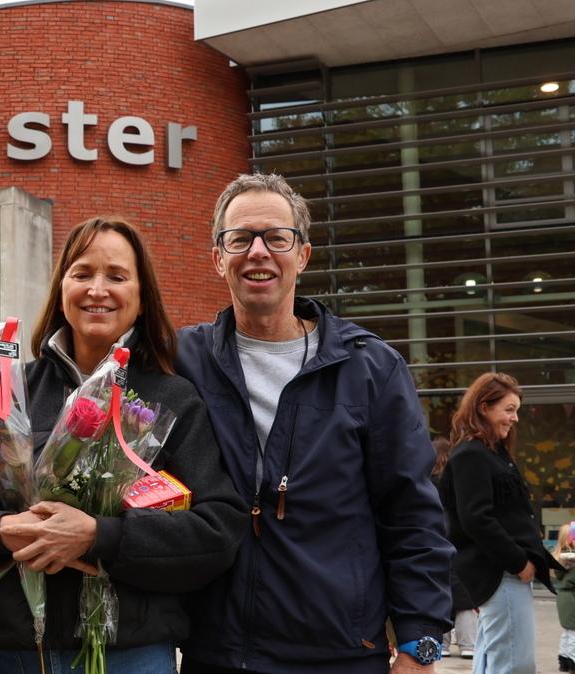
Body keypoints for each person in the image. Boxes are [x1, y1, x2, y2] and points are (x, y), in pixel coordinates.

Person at [0, 216, 248, 672]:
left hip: (132, 656)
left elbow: (218, 532)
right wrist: (0, 529)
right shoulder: (10, 392)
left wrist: (99, 536)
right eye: (82, 273)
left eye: (116, 276)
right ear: (61, 291)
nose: (97, 289)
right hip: (19, 653)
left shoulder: (173, 400)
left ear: (142, 299)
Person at [175, 172, 453, 674]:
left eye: (277, 237)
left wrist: (421, 645)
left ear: (302, 254)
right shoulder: (181, 358)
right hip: (216, 654)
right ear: (219, 258)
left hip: (341, 654)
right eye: (240, 238)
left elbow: (411, 512)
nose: (258, 251)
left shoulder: (370, 368)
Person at [439, 371, 562, 674]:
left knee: (496, 657)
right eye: (509, 409)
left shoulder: (490, 453)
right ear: (484, 407)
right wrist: (519, 562)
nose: (515, 418)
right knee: (513, 662)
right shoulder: (472, 455)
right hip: (500, 572)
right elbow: (475, 518)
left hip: (501, 572)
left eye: (516, 410)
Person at [431, 436, 477, 659]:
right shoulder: (457, 479)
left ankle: (442, 643)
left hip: (433, 540)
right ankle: (468, 644)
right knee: (464, 596)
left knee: (440, 593)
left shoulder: (424, 480)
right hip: (457, 541)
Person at [555, 521, 575, 672]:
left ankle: (564, 660)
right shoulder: (572, 561)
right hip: (571, 599)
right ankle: (573, 661)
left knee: (568, 631)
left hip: (564, 598)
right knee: (573, 631)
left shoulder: (564, 560)